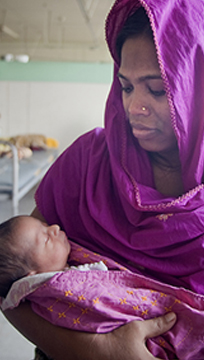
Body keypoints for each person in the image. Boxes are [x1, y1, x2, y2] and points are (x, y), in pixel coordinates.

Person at [3, 0, 204, 359]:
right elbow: (10, 281)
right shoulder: (88, 161)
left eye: (157, 90)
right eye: (126, 87)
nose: (134, 107)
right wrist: (98, 350)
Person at [2, 216, 204, 360]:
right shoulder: (56, 291)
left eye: (45, 225)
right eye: (46, 238)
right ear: (31, 279)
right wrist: (100, 350)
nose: (55, 227)